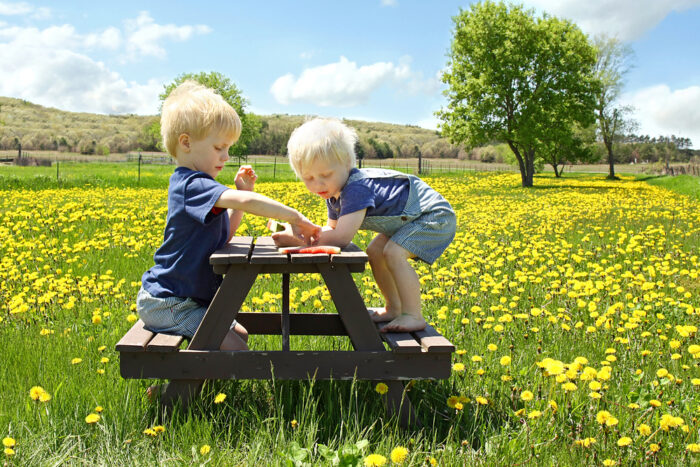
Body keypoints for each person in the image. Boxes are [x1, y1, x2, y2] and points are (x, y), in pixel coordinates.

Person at [138, 81, 320, 352]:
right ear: (186, 143)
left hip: (186, 298)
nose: (225, 156)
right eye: (218, 147)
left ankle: (191, 388)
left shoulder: (200, 187)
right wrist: (294, 217)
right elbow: (246, 202)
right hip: (168, 302)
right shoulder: (191, 185)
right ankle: (174, 393)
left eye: (228, 148)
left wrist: (241, 193)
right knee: (236, 350)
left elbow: (226, 235)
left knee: (240, 335)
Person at [274, 118, 456, 332]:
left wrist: (299, 240)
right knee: (375, 251)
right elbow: (331, 229)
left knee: (393, 253)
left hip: (432, 215)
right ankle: (393, 308)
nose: (318, 184)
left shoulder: (356, 187)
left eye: (325, 175)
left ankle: (414, 315)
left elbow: (341, 237)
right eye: (308, 178)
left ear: (347, 165)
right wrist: (300, 231)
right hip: (408, 220)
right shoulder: (333, 193)